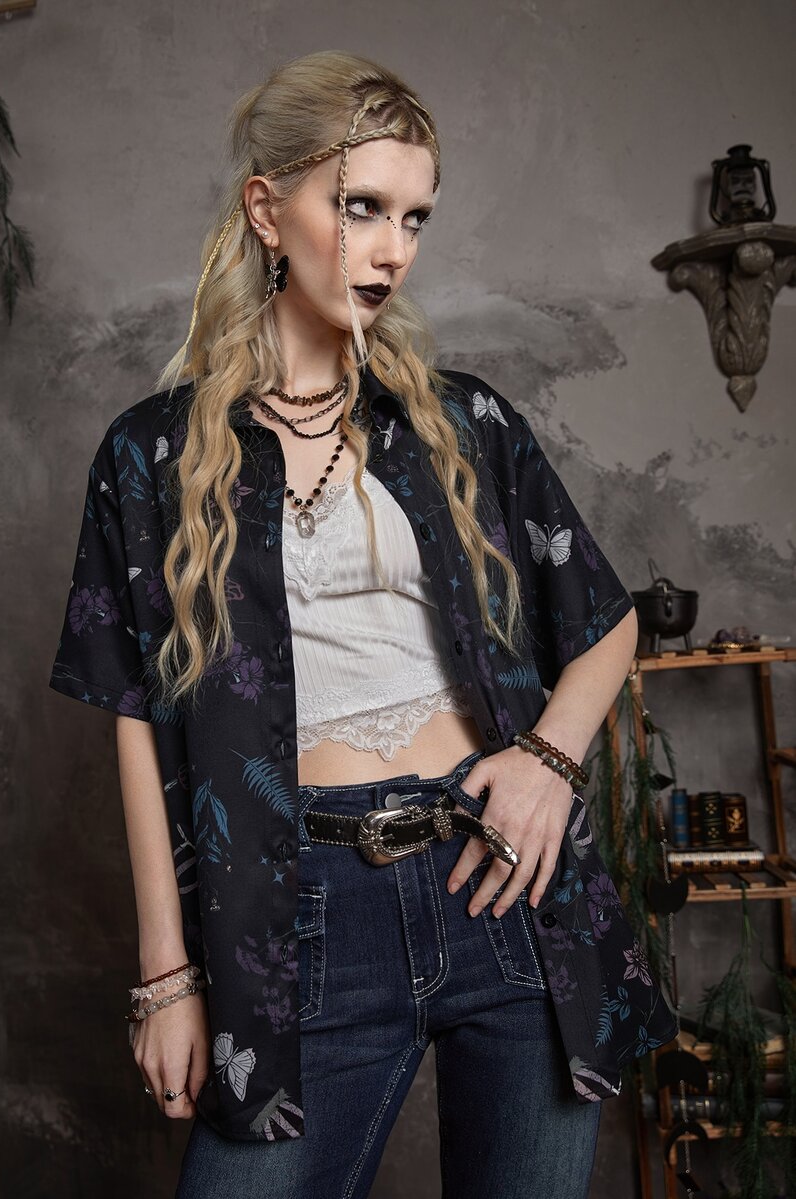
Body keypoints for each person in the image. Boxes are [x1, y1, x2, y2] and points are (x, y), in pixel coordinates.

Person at [48, 50, 678, 1199]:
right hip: (302, 911)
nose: (393, 249)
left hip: (500, 882)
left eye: (415, 217)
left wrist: (547, 761)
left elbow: (605, 619)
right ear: (267, 210)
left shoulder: (465, 421)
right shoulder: (150, 454)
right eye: (361, 208)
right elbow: (134, 715)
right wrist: (166, 976)